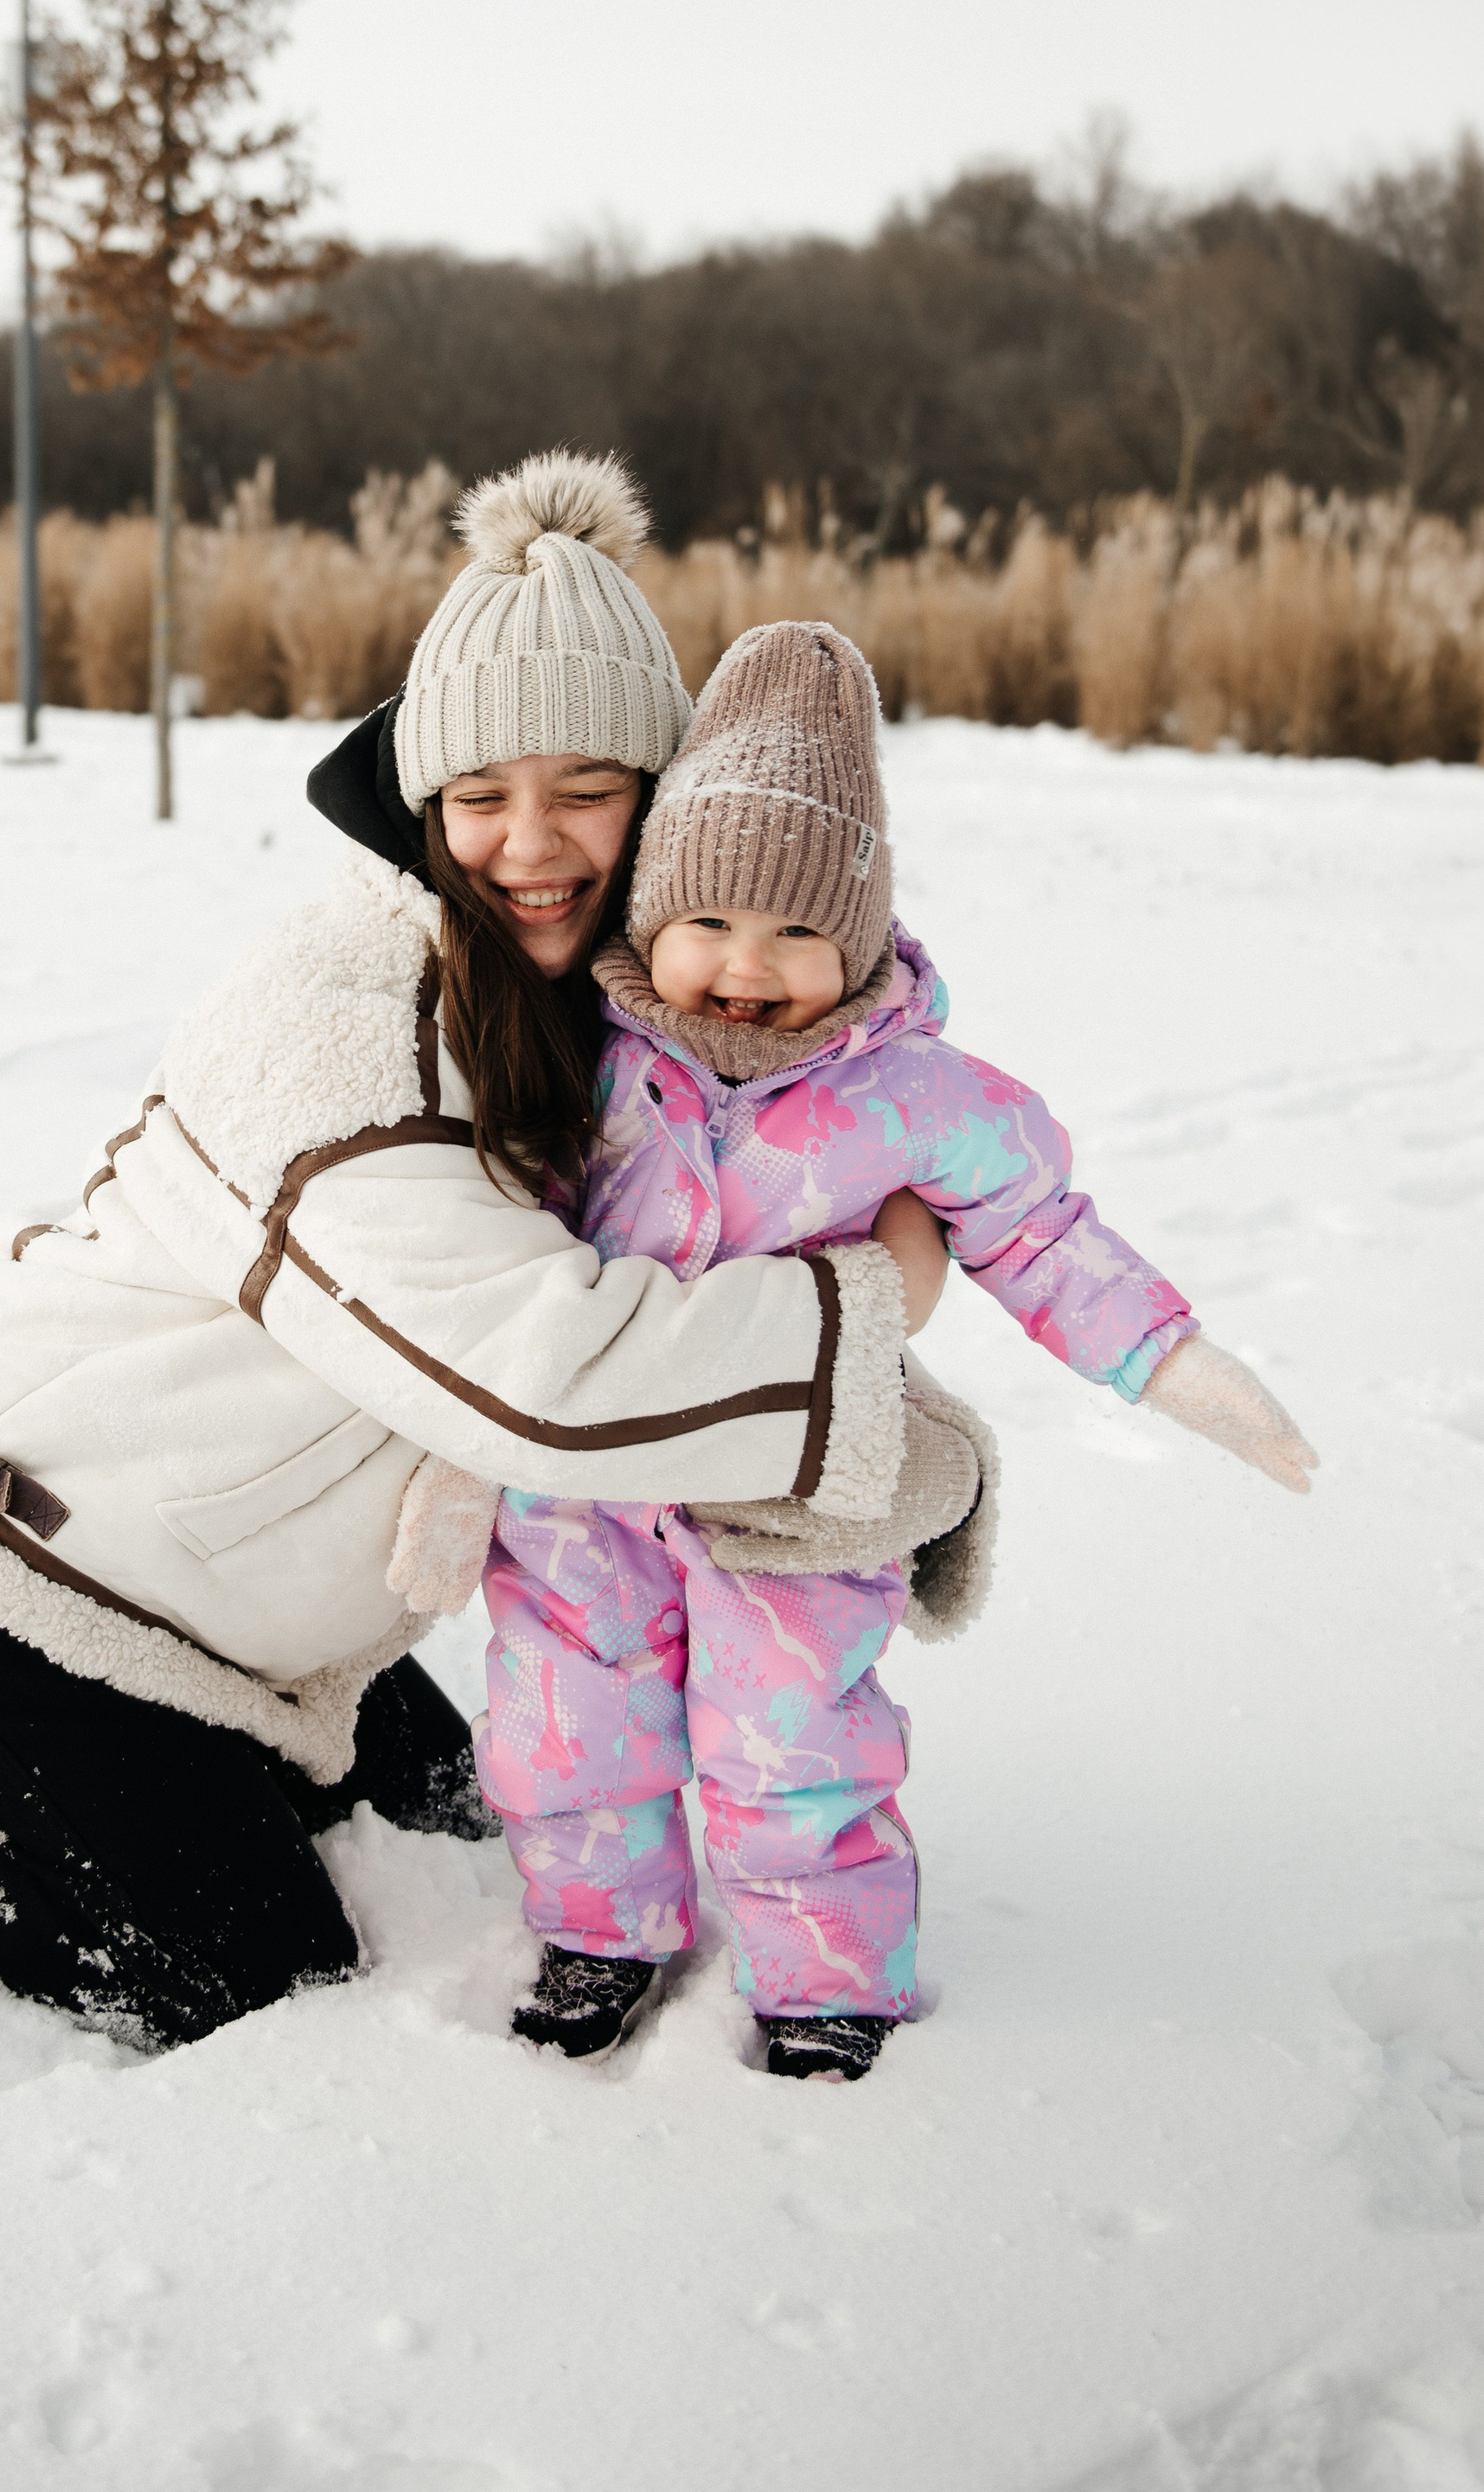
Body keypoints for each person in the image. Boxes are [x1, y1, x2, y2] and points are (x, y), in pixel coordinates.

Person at [0, 456, 945, 2052]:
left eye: (587, 790)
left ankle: (155, 1781)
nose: (530, 844)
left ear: (660, 794)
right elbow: (543, 1376)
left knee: (479, 1829)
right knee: (248, 1973)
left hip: (229, 1586)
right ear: (421, 800)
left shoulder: (592, 1000)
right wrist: (867, 1318)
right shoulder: (349, 1030)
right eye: (481, 797)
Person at [479, 618, 1318, 2079]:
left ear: (859, 940)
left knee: (792, 1739)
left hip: (806, 1491)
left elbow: (1050, 1238)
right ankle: (600, 1929)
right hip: (589, 1488)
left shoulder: (923, 1097)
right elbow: (496, 1263)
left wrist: (1182, 1369)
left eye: (798, 933)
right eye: (712, 926)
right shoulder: (589, 1062)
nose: (747, 968)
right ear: (654, 917)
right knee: (568, 1719)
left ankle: (825, 1975)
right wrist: (461, 1457)